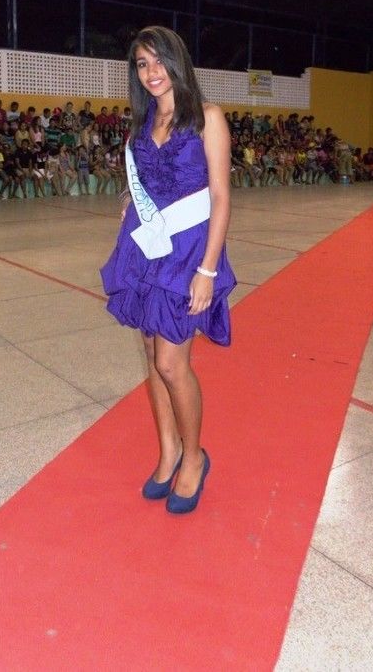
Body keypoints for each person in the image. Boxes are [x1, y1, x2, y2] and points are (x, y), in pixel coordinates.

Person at [100, 26, 236, 515]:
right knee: (149, 353)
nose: (151, 73)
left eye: (158, 61)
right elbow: (144, 183)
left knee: (171, 362)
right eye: (141, 64)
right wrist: (127, 207)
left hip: (188, 254)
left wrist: (208, 269)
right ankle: (168, 452)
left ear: (177, 63)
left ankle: (195, 458)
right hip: (144, 250)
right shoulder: (140, 127)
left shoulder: (208, 119)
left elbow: (221, 197)